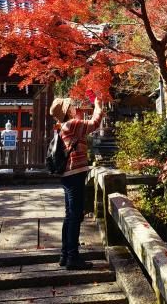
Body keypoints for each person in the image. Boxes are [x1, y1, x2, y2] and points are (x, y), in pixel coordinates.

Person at [49, 95, 103, 270]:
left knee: (69, 215)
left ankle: (65, 255)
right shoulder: (72, 124)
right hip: (74, 174)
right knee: (75, 216)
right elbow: (94, 124)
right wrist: (98, 105)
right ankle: (73, 257)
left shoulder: (63, 126)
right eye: (70, 105)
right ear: (66, 111)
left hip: (67, 175)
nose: (74, 106)